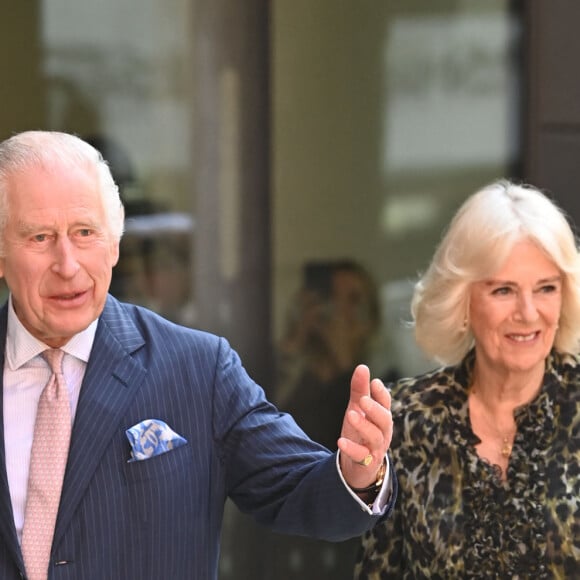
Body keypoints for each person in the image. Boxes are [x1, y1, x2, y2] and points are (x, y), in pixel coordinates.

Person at [0, 131, 396, 580]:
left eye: (85, 232)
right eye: (39, 237)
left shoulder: (198, 369)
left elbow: (299, 491)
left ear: (114, 243)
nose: (67, 264)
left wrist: (358, 470)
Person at [354, 179, 580, 578]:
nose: (528, 313)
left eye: (546, 288)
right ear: (462, 300)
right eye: (504, 290)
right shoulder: (407, 418)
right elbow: (378, 569)